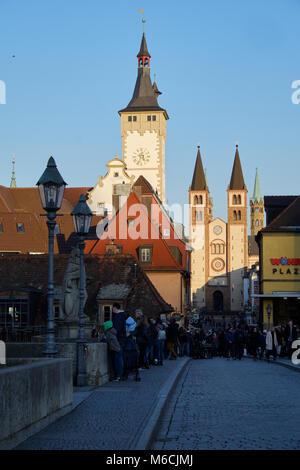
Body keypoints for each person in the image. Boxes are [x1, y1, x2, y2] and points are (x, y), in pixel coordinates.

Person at [112, 302, 127, 380]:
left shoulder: (118, 317)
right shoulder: (123, 316)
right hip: (122, 339)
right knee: (120, 357)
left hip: (118, 340)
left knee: (118, 357)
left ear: (115, 308)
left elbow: (116, 330)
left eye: (112, 308)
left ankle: (119, 375)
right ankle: (121, 374)